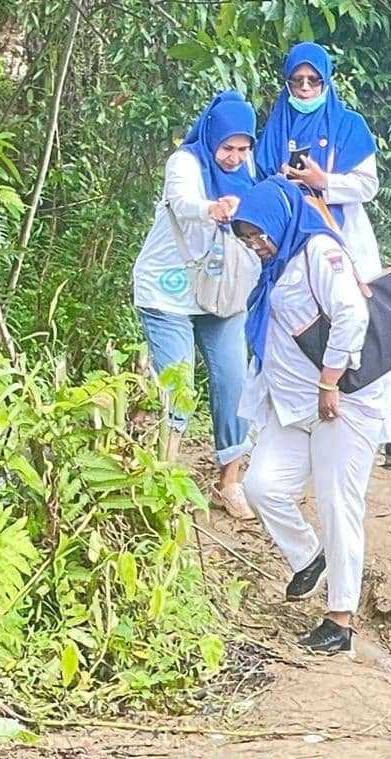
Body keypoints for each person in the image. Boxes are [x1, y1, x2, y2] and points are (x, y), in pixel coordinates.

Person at [233, 176, 391, 654]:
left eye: (260, 234)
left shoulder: (318, 251)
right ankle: (309, 555)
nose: (257, 245)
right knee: (262, 486)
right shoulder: (275, 266)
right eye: (247, 238)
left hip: (342, 401)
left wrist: (329, 380)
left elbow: (352, 313)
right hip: (294, 404)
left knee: (337, 504)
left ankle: (340, 620)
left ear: (282, 220)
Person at [255, 41, 391, 470]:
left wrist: (322, 180)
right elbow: (259, 183)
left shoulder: (349, 125)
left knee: (368, 328)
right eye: (298, 81)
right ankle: (298, 419)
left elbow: (367, 185)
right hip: (294, 245)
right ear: (287, 82)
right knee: (301, 327)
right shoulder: (275, 127)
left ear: (327, 81)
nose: (306, 87)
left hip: (345, 237)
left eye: (314, 80)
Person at [132, 91, 260, 519]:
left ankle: (230, 482)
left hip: (221, 291)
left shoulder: (248, 168)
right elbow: (184, 203)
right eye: (228, 148)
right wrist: (213, 208)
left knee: (233, 382)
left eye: (243, 149)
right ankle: (163, 481)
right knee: (178, 386)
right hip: (167, 291)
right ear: (211, 139)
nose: (234, 157)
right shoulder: (185, 163)